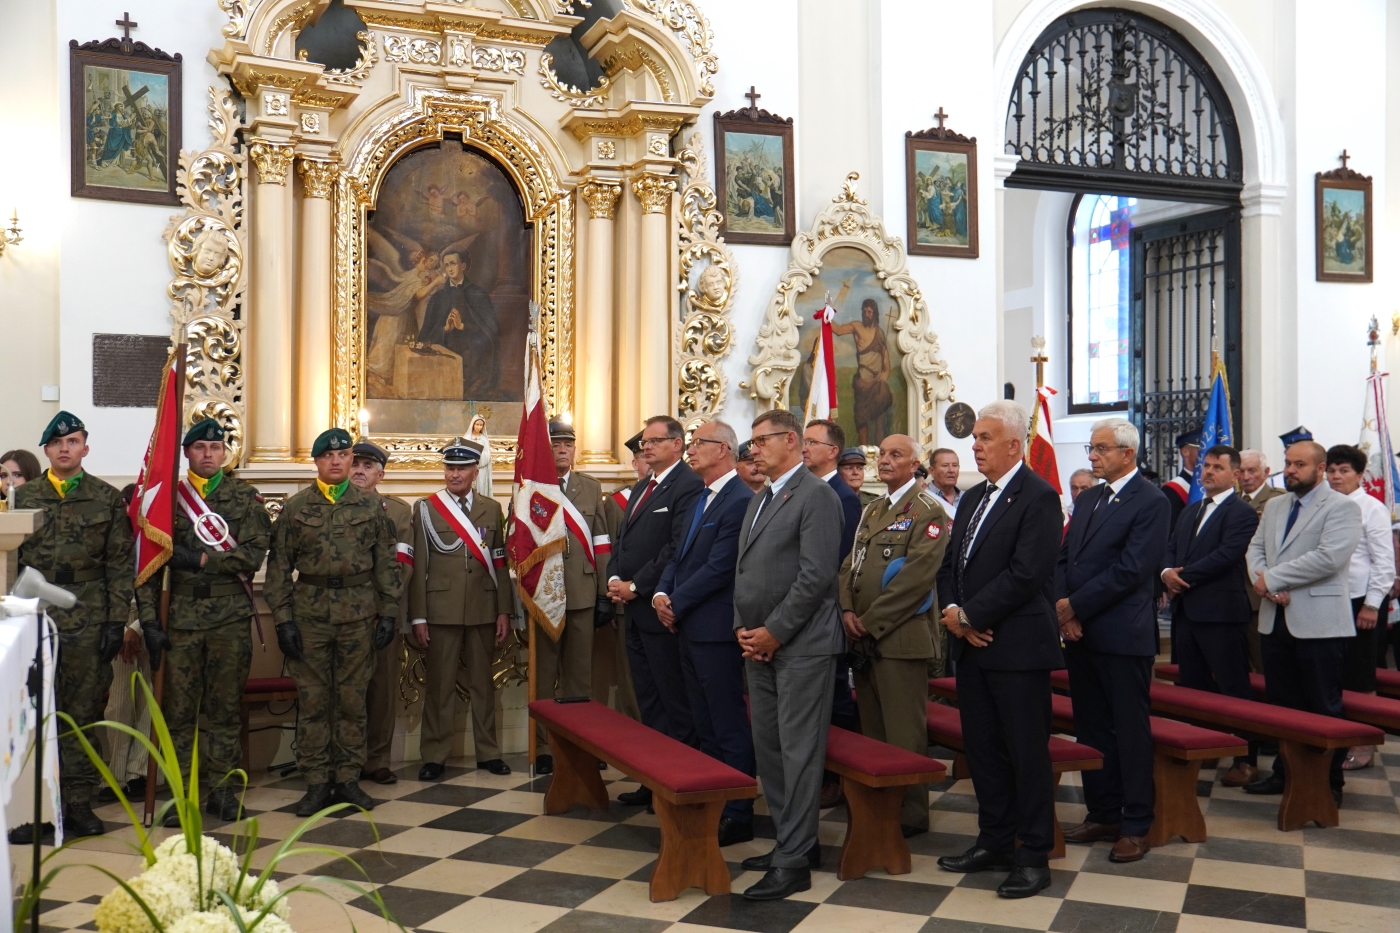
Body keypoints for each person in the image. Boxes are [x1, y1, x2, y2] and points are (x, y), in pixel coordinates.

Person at [935, 401, 1063, 898]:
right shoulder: (973, 497)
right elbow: (951, 565)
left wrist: (971, 616)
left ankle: (1034, 854)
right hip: (973, 645)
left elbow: (1027, 573)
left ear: (1014, 445)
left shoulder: (1039, 496)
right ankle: (994, 841)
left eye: (985, 438)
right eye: (975, 438)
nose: (975, 446)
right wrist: (955, 613)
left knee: (1026, 754)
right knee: (984, 751)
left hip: (1017, 649)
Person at [733, 408, 846, 901]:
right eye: (752, 441)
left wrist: (774, 632)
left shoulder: (816, 495)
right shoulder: (761, 497)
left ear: (792, 441)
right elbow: (745, 571)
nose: (753, 449)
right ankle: (792, 842)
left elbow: (816, 576)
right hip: (758, 644)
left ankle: (793, 862)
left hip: (801, 646)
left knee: (799, 753)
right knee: (771, 750)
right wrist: (743, 627)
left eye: (762, 441)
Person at [136, 419, 272, 822]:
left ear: (225, 453)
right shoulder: (166, 500)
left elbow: (252, 556)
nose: (209, 453)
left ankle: (222, 793)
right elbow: (147, 569)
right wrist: (150, 624)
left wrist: (199, 559)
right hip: (179, 622)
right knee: (178, 714)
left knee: (225, 711)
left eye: (216, 447)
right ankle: (181, 794)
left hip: (229, 621)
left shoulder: (245, 498)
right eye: (200, 447)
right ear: (187, 453)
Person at [9, 413, 133, 842]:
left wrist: (116, 620)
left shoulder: (106, 498)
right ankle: (34, 808)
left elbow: (120, 565)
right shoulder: (22, 498)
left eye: (73, 441)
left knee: (81, 713)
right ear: (46, 450)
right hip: (32, 616)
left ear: (85, 448)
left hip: (87, 615)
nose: (65, 448)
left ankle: (78, 803)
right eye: (57, 443)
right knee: (32, 712)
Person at [264, 428, 401, 816]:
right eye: (328, 455)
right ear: (317, 461)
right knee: (313, 702)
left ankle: (348, 779)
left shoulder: (371, 507)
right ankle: (316, 783)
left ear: (351, 458)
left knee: (353, 701)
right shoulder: (295, 508)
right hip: (310, 617)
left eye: (344, 455)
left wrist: (389, 613)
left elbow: (386, 565)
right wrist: (283, 621)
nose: (337, 461)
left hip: (358, 616)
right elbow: (278, 570)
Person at [1056, 418, 1169, 863]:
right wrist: (1064, 610)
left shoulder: (1151, 501)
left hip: (1122, 635)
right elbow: (1065, 559)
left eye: (1101, 449)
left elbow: (1132, 569)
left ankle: (1137, 823)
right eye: (1091, 448)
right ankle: (1103, 812)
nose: (1092, 456)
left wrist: (1075, 607)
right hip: (1081, 633)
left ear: (1127, 453)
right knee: (1092, 728)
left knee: (1129, 731)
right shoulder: (1089, 499)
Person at [653, 419, 756, 847]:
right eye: (691, 443)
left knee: (727, 722)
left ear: (723, 449)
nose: (690, 450)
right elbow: (679, 554)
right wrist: (661, 593)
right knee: (703, 722)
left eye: (698, 443)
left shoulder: (740, 500)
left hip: (714, 630)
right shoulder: (702, 496)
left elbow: (720, 567)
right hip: (688, 626)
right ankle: (713, 799)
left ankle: (738, 812)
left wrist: (676, 602)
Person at [840, 433, 948, 836]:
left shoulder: (927, 511)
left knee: (903, 733)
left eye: (895, 454)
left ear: (914, 464)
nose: (884, 460)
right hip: (863, 637)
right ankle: (880, 807)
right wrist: (847, 610)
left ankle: (910, 815)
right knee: (873, 733)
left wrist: (869, 621)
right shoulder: (873, 509)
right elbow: (850, 566)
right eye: (882, 453)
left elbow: (915, 580)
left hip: (899, 639)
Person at [1244, 441, 1361, 806]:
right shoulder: (1277, 505)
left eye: (1299, 464)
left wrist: (1273, 579)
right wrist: (1265, 583)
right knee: (1284, 705)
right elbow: (1255, 549)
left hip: (1320, 623)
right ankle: (1285, 773)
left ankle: (1329, 782)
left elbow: (1328, 558)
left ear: (1320, 468)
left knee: (1323, 705)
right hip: (1275, 618)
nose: (1291, 470)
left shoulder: (1342, 507)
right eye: (1288, 463)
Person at [607, 416, 705, 807]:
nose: (645, 447)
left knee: (673, 701)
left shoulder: (688, 485)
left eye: (653, 441)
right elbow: (623, 541)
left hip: (660, 609)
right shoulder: (642, 486)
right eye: (644, 443)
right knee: (648, 700)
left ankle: (679, 783)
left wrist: (636, 586)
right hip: (633, 611)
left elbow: (675, 547)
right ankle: (654, 780)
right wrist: (615, 577)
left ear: (677, 444)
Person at [409, 437, 513, 779]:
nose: (454, 474)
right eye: (450, 467)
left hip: (483, 607)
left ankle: (489, 752)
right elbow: (420, 565)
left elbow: (499, 562)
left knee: (484, 684)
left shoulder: (491, 509)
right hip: (441, 609)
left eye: (462, 468)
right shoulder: (427, 508)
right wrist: (419, 615)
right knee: (440, 685)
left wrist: (503, 610)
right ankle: (434, 755)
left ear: (475, 471)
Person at [1161, 445, 1260, 786]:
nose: (1208, 472)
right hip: (1186, 611)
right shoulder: (1192, 509)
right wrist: (1165, 572)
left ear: (1235, 474)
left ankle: (1246, 758)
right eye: (1206, 466)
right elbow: (1171, 548)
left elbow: (1227, 555)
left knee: (1234, 686)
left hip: (1221, 613)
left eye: (1217, 467)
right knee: (1194, 686)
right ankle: (1206, 747)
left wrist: (1181, 577)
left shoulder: (1241, 512)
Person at [535, 421, 614, 775]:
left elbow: (601, 542)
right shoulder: (532, 487)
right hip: (544, 593)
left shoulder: (591, 487)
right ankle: (543, 746)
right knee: (543, 674)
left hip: (582, 591)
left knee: (580, 675)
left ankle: (582, 743)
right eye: (555, 444)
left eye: (568, 443)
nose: (562, 449)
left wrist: (603, 592)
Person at [1324, 444, 1393, 771]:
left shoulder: (1371, 508)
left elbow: (1384, 563)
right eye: (1331, 470)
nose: (1336, 476)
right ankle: (1337, 737)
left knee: (1360, 674)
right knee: (1332, 673)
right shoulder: (1325, 505)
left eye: (1344, 471)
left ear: (1360, 475)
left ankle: (1364, 744)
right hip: (1329, 599)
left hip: (1360, 601)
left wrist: (1372, 605)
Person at [348, 440, 414, 786]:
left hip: (382, 615)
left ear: (380, 474)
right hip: (341, 617)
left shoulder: (398, 512)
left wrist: (379, 607)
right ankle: (345, 762)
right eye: (355, 464)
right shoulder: (331, 506)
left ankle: (377, 760)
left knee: (381, 690)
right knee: (344, 691)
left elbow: (402, 566)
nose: (359, 471)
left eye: (367, 466)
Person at [415, 250, 500, 399]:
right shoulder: (437, 297)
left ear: (463, 266)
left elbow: (491, 331)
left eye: (453, 263)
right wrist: (444, 329)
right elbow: (425, 336)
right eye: (446, 265)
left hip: (472, 360)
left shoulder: (478, 294)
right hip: (444, 360)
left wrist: (463, 326)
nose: (449, 268)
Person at [1237, 449, 1284, 672]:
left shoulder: (1279, 500)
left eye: (1252, 471)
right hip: (1234, 594)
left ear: (1266, 472)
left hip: (1261, 593)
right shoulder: (1230, 500)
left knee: (1263, 663)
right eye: (1241, 471)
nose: (1246, 477)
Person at [831, 299, 894, 445]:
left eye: (870, 312)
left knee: (879, 420)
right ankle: (862, 451)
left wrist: (886, 372)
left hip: (877, 382)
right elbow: (839, 331)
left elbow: (885, 355)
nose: (867, 314)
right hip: (863, 381)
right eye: (865, 311)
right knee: (862, 419)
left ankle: (879, 451)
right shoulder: (857, 326)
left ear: (875, 313)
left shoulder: (879, 332)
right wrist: (826, 316)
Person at [804, 419, 862, 562]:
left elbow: (844, 556)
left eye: (812, 442)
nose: (804, 449)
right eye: (803, 442)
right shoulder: (802, 490)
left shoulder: (845, 498)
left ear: (832, 451)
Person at [1163, 430, 1200, 528]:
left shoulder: (1212, 485)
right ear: (1185, 452)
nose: (1206, 453)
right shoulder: (1172, 490)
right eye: (1201, 449)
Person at [928, 448, 963, 521]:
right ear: (932, 471)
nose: (951, 470)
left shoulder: (968, 497)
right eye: (945, 466)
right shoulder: (923, 496)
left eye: (955, 465)